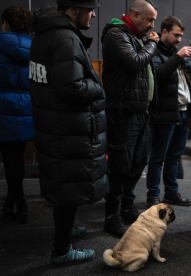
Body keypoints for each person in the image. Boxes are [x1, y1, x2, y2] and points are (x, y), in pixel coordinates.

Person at [30, 0, 108, 266]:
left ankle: (66, 230)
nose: (94, 14)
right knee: (69, 182)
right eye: (90, 9)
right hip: (67, 127)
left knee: (64, 182)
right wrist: (99, 87)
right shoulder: (66, 38)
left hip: (53, 123)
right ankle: (62, 250)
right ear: (74, 9)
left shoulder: (44, 34)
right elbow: (71, 88)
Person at [101, 0, 159, 237]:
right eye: (149, 20)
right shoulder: (116, 34)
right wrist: (152, 44)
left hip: (141, 111)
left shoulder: (135, 37)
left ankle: (127, 206)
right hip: (123, 113)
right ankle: (111, 215)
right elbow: (135, 64)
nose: (152, 25)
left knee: (138, 162)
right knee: (120, 166)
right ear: (135, 14)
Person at [147, 16, 191, 208]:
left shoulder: (177, 52)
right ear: (164, 32)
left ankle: (171, 193)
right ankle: (153, 195)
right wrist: (177, 57)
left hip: (183, 111)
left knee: (174, 156)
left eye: (181, 36)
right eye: (176, 35)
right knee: (158, 157)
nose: (179, 39)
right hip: (164, 112)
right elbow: (157, 77)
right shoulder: (153, 50)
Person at [0, 6, 33, 224]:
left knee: (9, 157)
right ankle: (17, 200)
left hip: (3, 107)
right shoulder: (35, 47)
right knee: (17, 156)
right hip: (26, 108)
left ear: (6, 23)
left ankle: (16, 199)